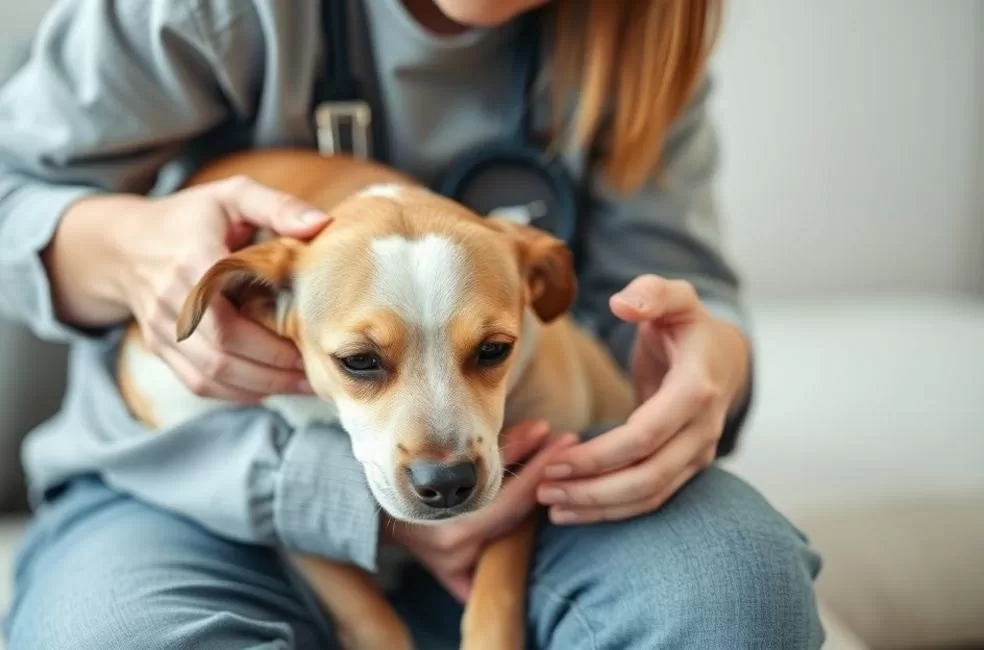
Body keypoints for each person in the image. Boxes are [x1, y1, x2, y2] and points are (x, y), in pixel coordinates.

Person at [0, 0, 824, 648]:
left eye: (489, 351)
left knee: (735, 592)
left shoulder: (641, 34)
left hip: (535, 514)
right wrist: (128, 250)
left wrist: (710, 361)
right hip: (188, 488)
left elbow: (674, 290)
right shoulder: (202, 11)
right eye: (365, 361)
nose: (442, 453)